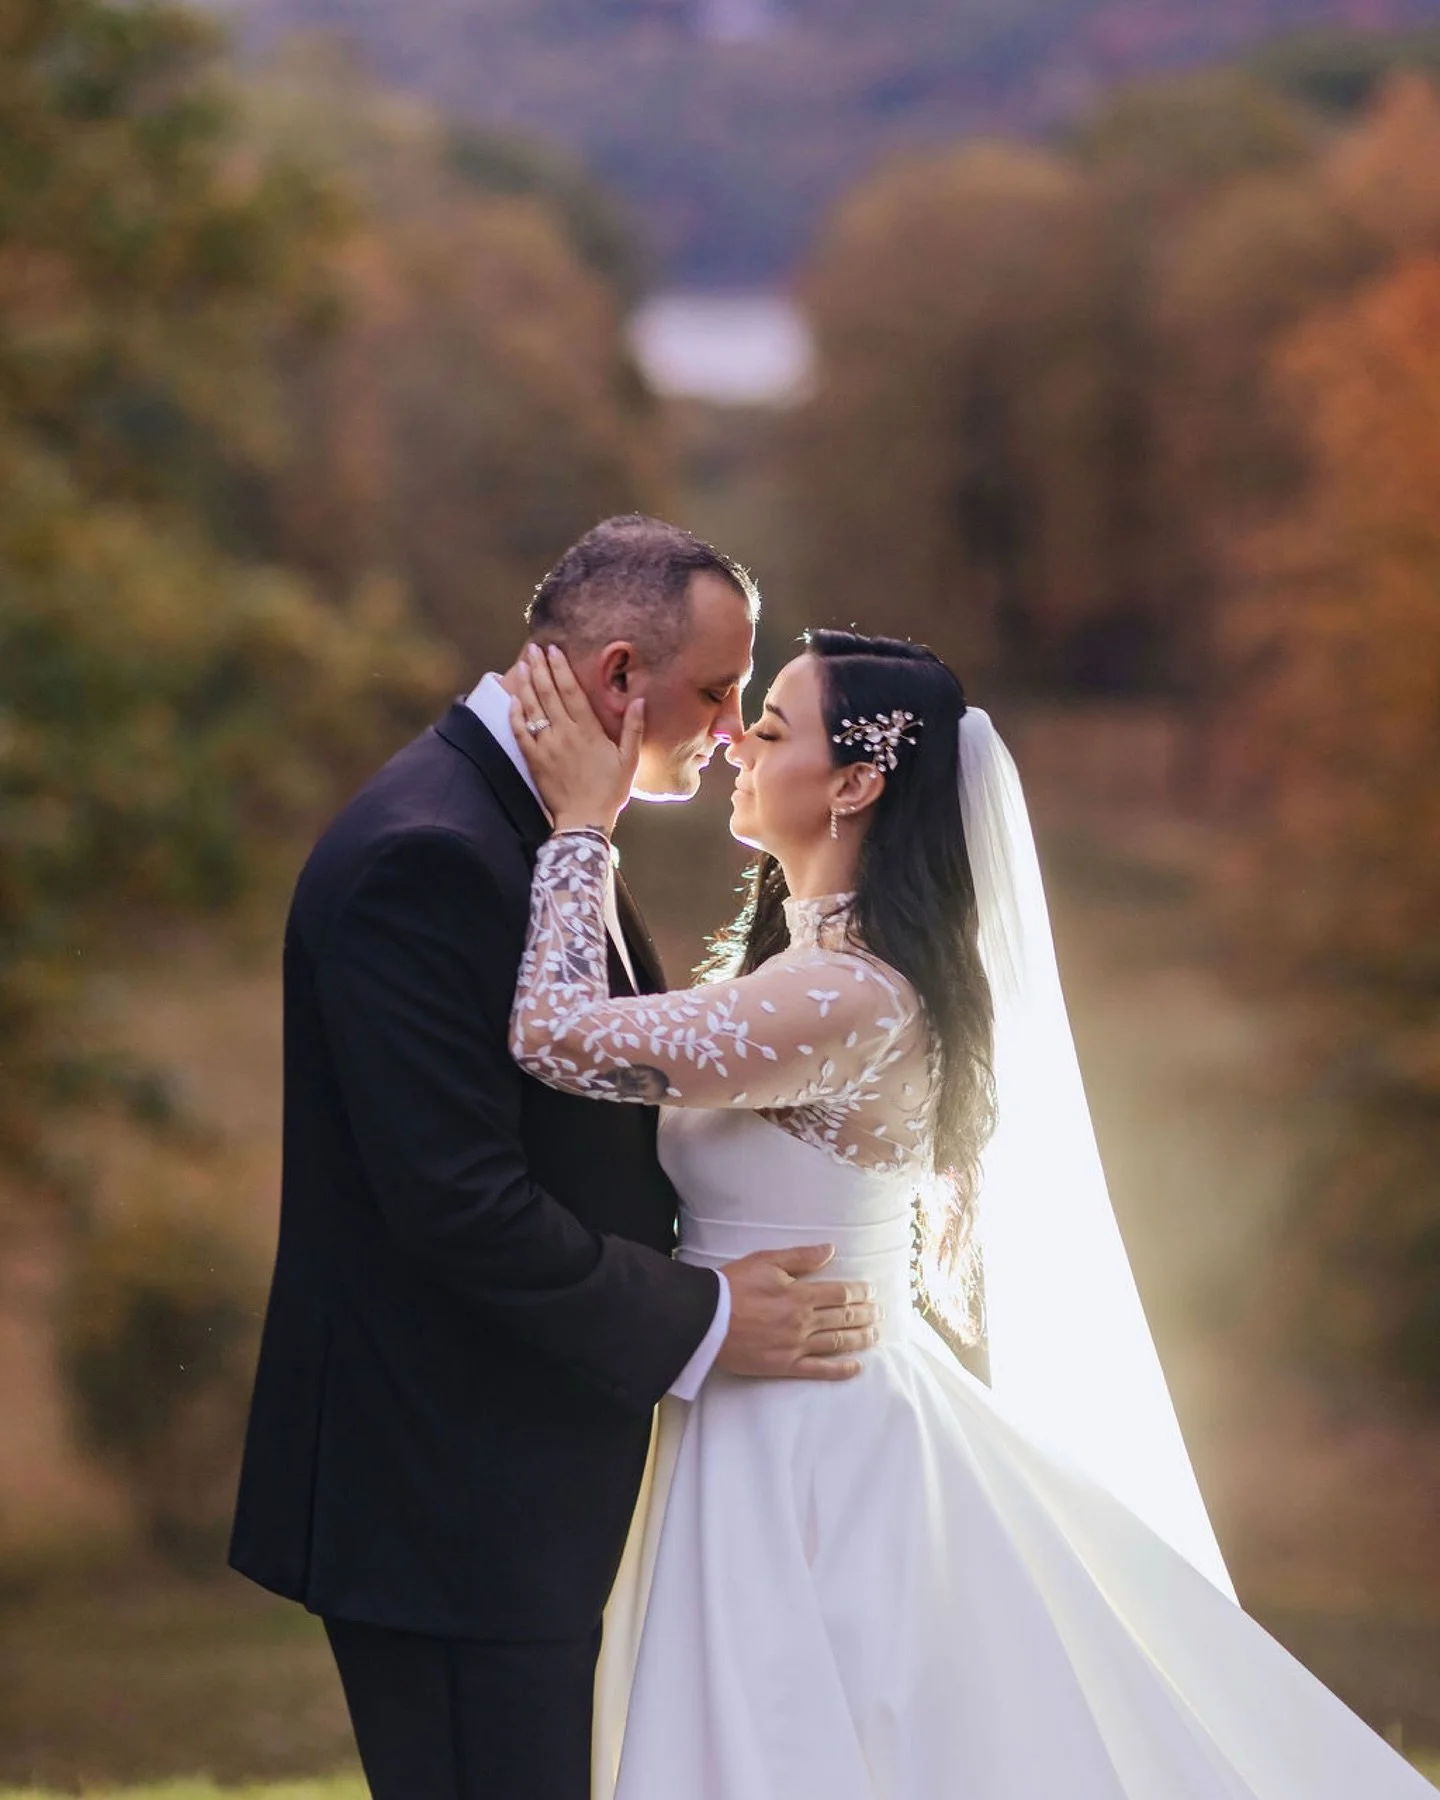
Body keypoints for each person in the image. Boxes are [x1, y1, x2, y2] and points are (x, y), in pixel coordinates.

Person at [506, 627, 1434, 1800]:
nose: (737, 738)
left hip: (815, 1443)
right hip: (757, 1402)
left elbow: (554, 1036)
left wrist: (580, 826)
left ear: (855, 785)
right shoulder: (806, 974)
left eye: (774, 727)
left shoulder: (851, 999)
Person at [228, 516, 881, 1800]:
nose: (731, 722)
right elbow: (458, 1204)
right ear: (620, 676)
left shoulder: (522, 823)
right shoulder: (433, 852)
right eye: (715, 689)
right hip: (452, 1500)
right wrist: (704, 1314)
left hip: (508, 1485)